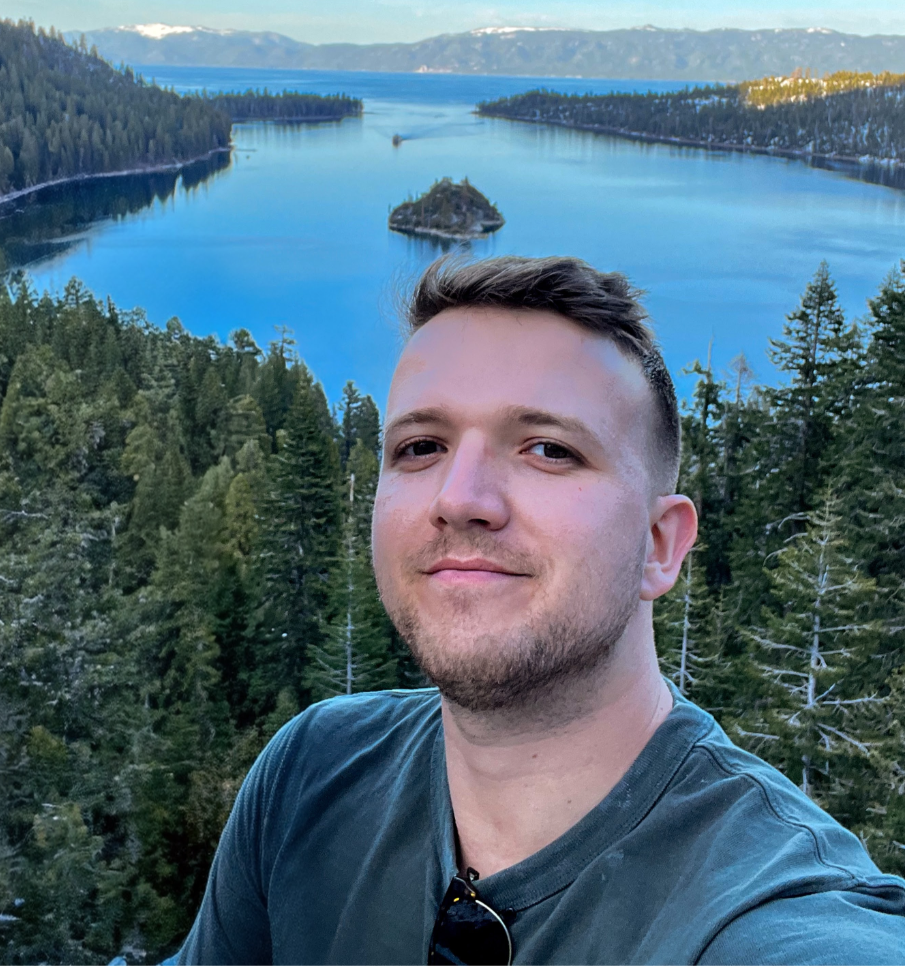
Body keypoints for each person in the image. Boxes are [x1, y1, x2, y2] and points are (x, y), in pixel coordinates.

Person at [176, 256, 905, 965]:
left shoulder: (759, 915)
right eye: (420, 446)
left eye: (549, 450)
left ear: (660, 545)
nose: (459, 498)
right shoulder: (311, 777)